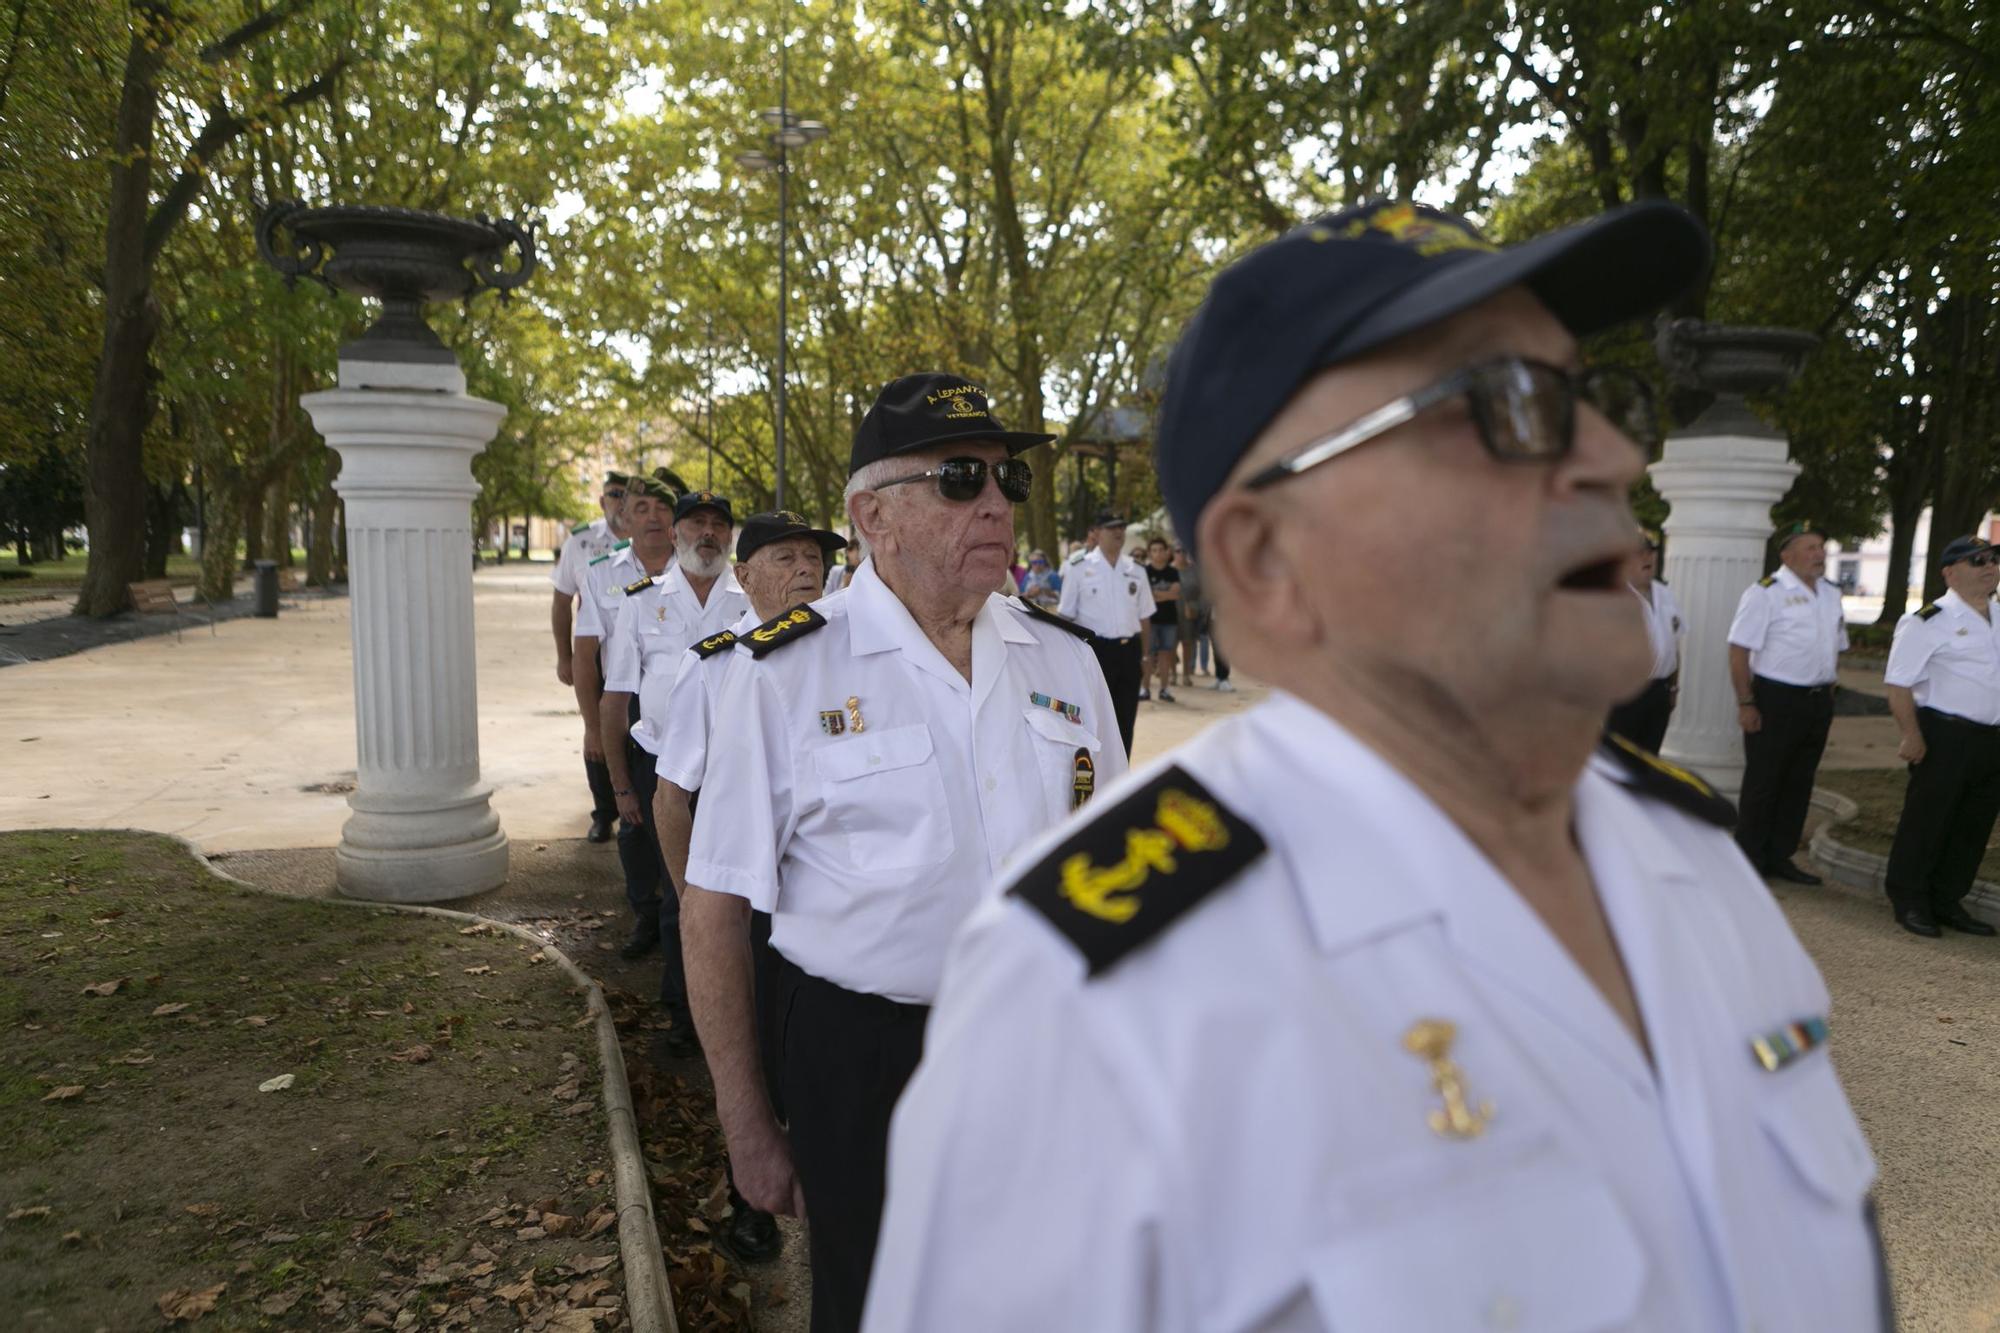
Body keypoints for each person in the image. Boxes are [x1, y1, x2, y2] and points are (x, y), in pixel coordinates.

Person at [865, 200, 1889, 1333]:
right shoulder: (1102, 1006)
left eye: (1590, 399)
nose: (1609, 456)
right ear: (1263, 561)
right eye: (1501, 405)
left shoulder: (1689, 853)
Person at [681, 373, 1126, 1333]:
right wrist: (747, 1126)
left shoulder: (1068, 661)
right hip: (866, 1057)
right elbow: (713, 907)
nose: (999, 503)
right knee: (885, 1306)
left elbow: (1119, 871)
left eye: (1008, 480)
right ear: (872, 516)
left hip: (1046, 1043)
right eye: (961, 478)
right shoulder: (783, 673)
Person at [645, 510, 846, 1267]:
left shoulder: (853, 655)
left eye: (815, 557)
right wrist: (695, 906)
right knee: (750, 1057)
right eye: (786, 556)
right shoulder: (716, 666)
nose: (805, 569)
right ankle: (748, 1200)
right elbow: (671, 799)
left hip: (826, 904)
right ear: (744, 575)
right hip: (747, 906)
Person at [602, 488, 748, 1030]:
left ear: (730, 537)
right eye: (696, 523)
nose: (707, 533)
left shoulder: (749, 599)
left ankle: (737, 1009)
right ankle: (686, 1013)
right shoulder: (641, 601)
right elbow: (616, 697)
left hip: (736, 770)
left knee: (738, 890)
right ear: (675, 532)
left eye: (718, 524)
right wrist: (620, 786)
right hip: (664, 771)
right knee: (678, 896)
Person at [573, 474, 677, 959]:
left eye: (662, 507)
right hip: (626, 701)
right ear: (625, 518)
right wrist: (594, 727)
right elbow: (585, 652)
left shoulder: (698, 567)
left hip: (682, 699)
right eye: (642, 507)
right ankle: (645, 912)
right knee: (634, 815)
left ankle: (684, 905)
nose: (654, 516)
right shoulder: (601, 573)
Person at [1882, 535, 2000, 939]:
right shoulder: (1928, 620)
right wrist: (1910, 735)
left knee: (1973, 824)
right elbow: (1899, 685)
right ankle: (1909, 899)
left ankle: (1948, 899)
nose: (1990, 566)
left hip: (1991, 739)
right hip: (1945, 735)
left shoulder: (1999, 615)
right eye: (1977, 560)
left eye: (1993, 559)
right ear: (1950, 573)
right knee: (1928, 820)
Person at [1728, 523, 1847, 885]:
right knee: (1764, 781)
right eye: (1810, 547)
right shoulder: (1766, 593)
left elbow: (1836, 646)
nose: (1819, 554)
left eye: (1822, 547)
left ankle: (1780, 856)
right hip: (1776, 698)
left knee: (1799, 781)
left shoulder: (1830, 593)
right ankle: (1748, 859)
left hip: (1816, 700)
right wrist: (1746, 702)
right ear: (1787, 555)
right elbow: (1738, 649)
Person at [551, 472, 629, 842]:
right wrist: (564, 655)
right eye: (614, 494)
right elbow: (562, 599)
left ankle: (632, 803)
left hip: (638, 652)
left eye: (627, 495)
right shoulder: (581, 542)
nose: (621, 501)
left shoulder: (657, 538)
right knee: (595, 729)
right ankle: (604, 812)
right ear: (602, 501)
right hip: (594, 651)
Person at [1058, 509, 1154, 755]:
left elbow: (1144, 617)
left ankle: (1121, 780)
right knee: (1094, 721)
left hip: (1129, 651)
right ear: (1096, 533)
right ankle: (1095, 781)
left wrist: (1145, 655)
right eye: (1112, 527)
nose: (1119, 532)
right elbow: (1065, 616)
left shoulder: (1136, 570)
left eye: (1121, 527)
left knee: (1126, 720)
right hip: (1095, 652)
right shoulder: (1078, 568)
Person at [1605, 532, 1683, 752]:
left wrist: (1674, 687)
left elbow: (1674, 646)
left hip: (1659, 691)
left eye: (1651, 552)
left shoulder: (1667, 595)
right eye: (1639, 554)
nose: (1648, 558)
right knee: (1619, 760)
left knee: (1649, 759)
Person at [1143, 536, 1181, 701]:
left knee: (1166, 655)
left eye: (1161, 550)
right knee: (1147, 656)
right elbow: (1144, 596)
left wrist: (1156, 595)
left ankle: (1164, 689)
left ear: (1167, 552)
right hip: (1149, 621)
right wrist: (1166, 594)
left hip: (1169, 621)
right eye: (1154, 550)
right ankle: (1145, 689)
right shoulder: (1144, 571)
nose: (1158, 553)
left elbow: (1176, 594)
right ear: (1150, 553)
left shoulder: (1173, 572)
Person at [1175, 545, 1205, 684]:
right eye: (1178, 551)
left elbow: (1203, 592)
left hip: (1190, 612)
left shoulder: (1195, 571)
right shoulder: (1169, 569)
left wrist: (1196, 608)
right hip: (1171, 611)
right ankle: (1173, 673)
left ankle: (1186, 674)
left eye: (1183, 550)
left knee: (1187, 644)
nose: (1181, 553)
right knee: (1170, 646)